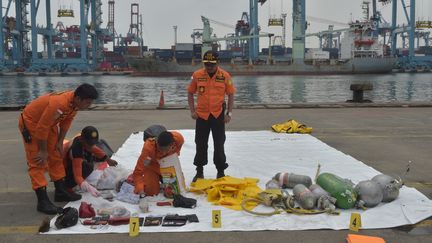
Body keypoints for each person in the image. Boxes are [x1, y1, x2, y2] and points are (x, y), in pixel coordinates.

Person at [18, 83, 98, 214]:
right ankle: (42, 201)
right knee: (38, 160)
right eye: (88, 103)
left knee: (56, 154)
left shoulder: (74, 104)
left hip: (49, 123)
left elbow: (66, 122)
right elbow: (41, 128)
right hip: (32, 123)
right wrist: (43, 151)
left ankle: (61, 191)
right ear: (79, 99)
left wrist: (60, 141)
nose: (89, 105)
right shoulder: (59, 103)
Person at [187, 50, 236, 182]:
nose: (209, 67)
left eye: (211, 65)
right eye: (206, 64)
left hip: (218, 115)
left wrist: (229, 113)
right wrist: (192, 111)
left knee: (219, 144)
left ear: (217, 63)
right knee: (200, 144)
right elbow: (190, 93)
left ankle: (220, 172)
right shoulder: (197, 75)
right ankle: (199, 172)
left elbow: (231, 94)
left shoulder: (225, 76)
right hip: (201, 116)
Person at [63, 126, 118, 197]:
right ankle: (68, 187)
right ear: (83, 140)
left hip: (73, 163)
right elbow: (78, 176)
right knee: (88, 167)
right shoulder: (76, 151)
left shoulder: (83, 140)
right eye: (89, 144)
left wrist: (108, 160)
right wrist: (88, 188)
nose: (91, 146)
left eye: (93, 143)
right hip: (64, 172)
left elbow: (94, 149)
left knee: (94, 159)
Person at [133, 130, 184, 196]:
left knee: (177, 189)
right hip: (152, 167)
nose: (163, 153)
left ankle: (161, 177)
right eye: (160, 149)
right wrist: (140, 190)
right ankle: (148, 179)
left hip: (168, 165)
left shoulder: (178, 139)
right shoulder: (148, 149)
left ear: (172, 144)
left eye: (166, 150)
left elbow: (176, 153)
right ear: (156, 143)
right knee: (151, 192)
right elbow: (138, 172)